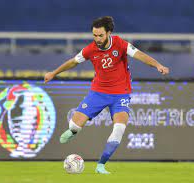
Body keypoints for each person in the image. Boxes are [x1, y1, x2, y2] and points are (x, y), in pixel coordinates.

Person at [44, 16, 169, 174]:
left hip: (120, 94)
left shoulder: (121, 44)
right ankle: (74, 131)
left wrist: (158, 65)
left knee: (119, 128)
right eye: (94, 35)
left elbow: (140, 55)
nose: (97, 39)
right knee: (74, 125)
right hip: (98, 92)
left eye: (100, 35)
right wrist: (54, 73)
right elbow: (73, 62)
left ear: (109, 33)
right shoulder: (90, 49)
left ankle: (101, 165)